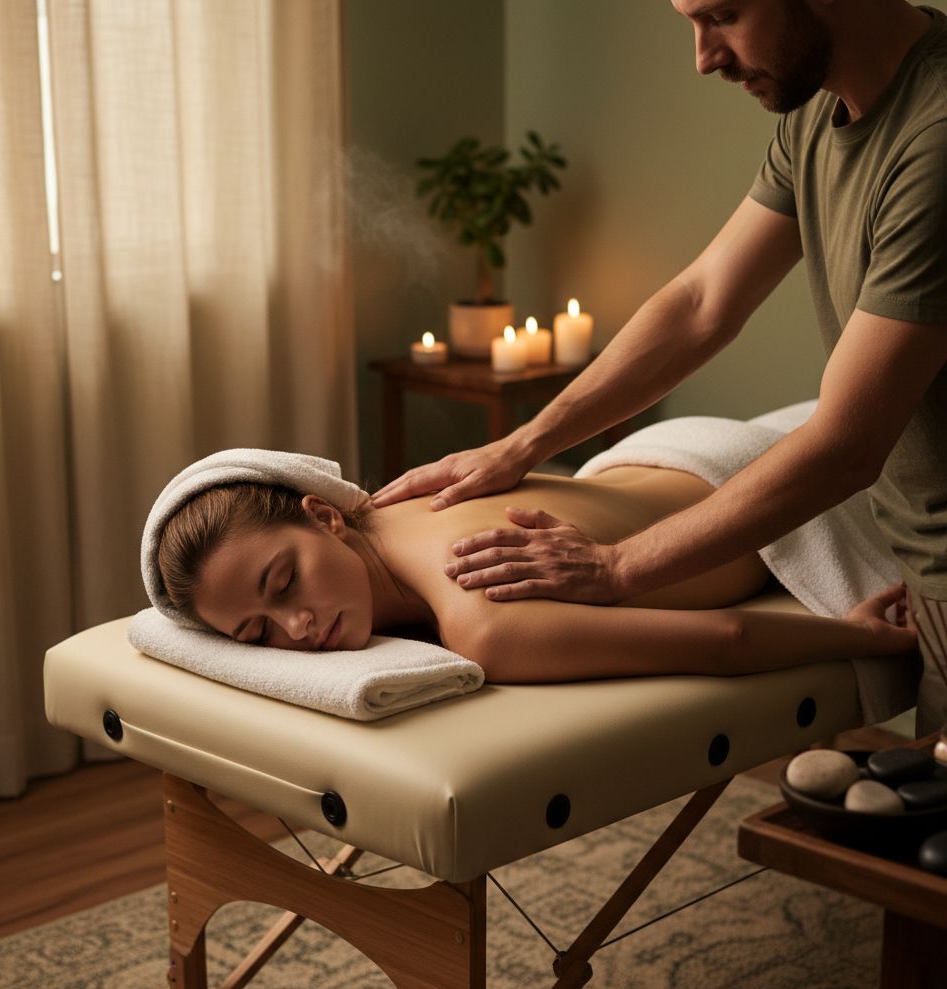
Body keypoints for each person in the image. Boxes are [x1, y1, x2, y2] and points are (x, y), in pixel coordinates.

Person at [370, 0, 947, 733]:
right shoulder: (819, 111)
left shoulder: (935, 141)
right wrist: (523, 444)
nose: (705, 57)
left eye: (724, 16)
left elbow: (844, 445)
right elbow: (702, 303)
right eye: (690, 22)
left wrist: (615, 570)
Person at [155, 466, 914, 683]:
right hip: (657, 457)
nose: (297, 630)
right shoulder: (407, 496)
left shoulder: (482, 613)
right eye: (256, 633)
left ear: (324, 517)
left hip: (761, 499)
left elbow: (724, 640)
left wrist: (858, 637)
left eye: (285, 584)